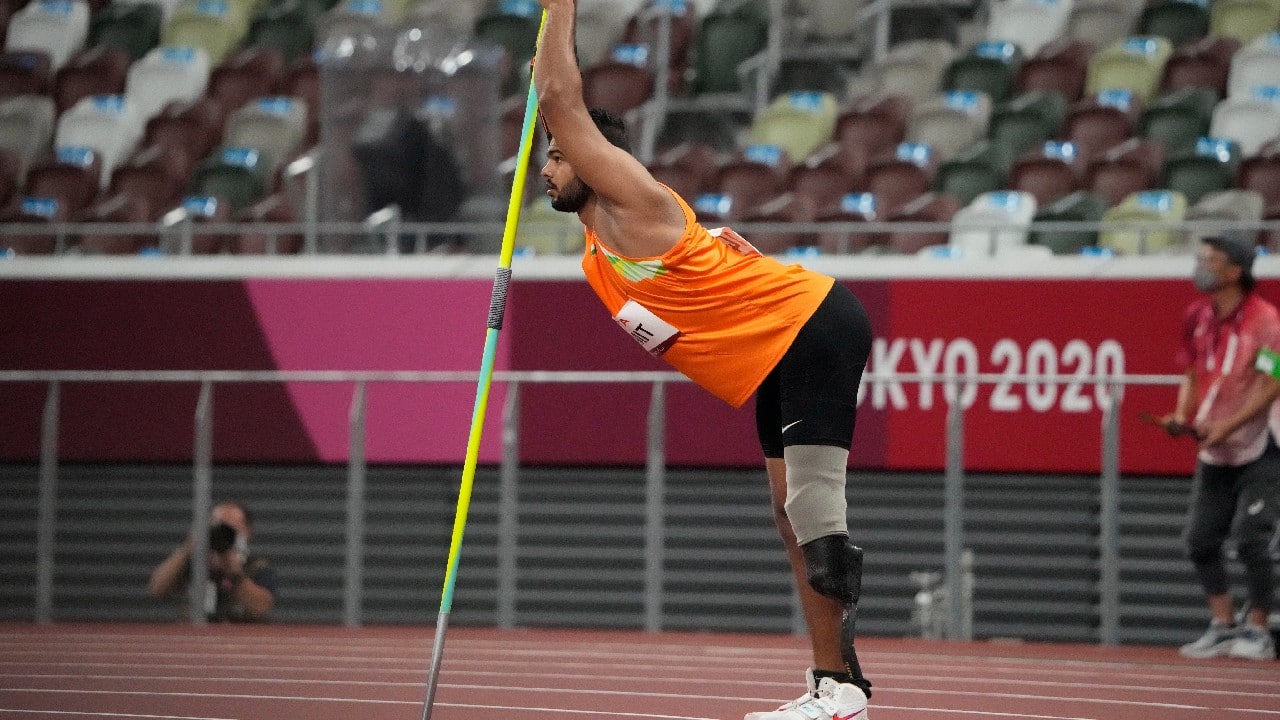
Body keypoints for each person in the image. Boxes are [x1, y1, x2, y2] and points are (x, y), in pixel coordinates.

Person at [532, 1, 876, 717]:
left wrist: (557, 7)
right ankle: (836, 684)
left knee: (814, 513)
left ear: (597, 157)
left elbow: (560, 97)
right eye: (545, 155)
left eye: (560, 153)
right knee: (788, 516)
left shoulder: (634, 197)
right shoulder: (601, 250)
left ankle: (839, 694)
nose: (546, 167)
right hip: (776, 348)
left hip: (811, 324)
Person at [1162, 233, 1280, 660]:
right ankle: (1224, 624)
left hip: (1260, 445)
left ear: (1235, 272)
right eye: (1201, 258)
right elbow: (1192, 373)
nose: (1201, 266)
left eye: (1211, 260)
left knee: (1251, 540)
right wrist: (1182, 415)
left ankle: (1259, 630)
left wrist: (1229, 424)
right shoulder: (1197, 316)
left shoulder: (1265, 321)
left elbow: (1274, 382)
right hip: (1215, 449)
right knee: (1199, 539)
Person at [148, 500, 278, 622]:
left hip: (237, 638)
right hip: (193, 636)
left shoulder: (257, 566)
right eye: (219, 527)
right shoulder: (195, 563)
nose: (224, 535)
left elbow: (261, 608)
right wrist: (187, 549)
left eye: (231, 530)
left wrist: (234, 573)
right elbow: (158, 590)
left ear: (248, 532)